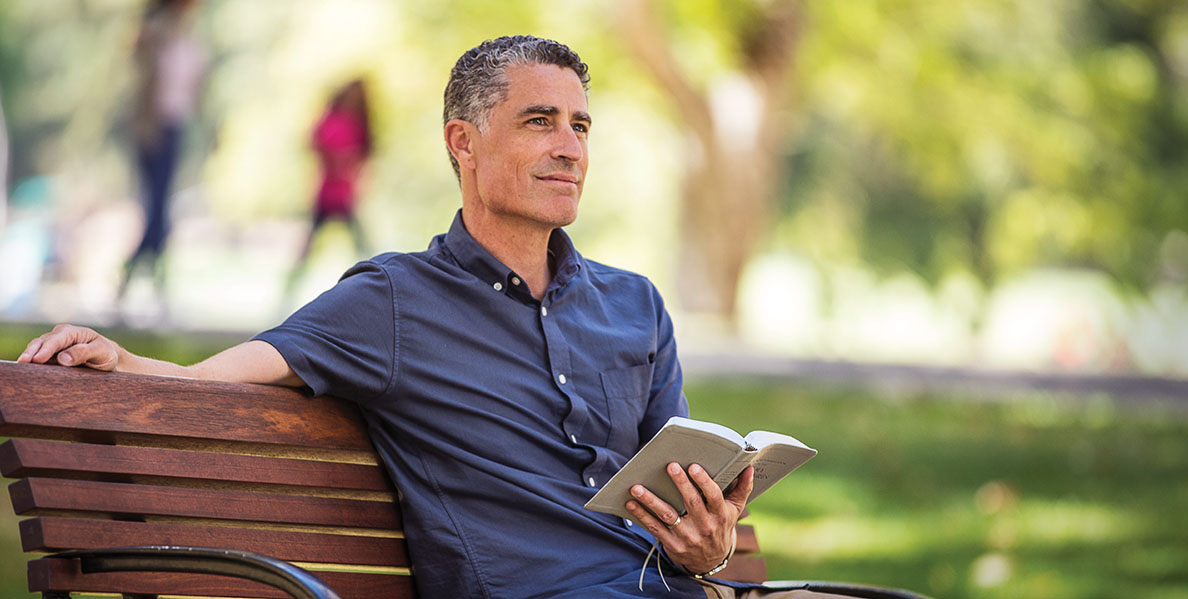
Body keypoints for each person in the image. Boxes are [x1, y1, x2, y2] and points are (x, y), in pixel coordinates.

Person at [19, 36, 848, 599]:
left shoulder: (637, 304)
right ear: (464, 141)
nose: (570, 147)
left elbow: (685, 488)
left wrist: (707, 543)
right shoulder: (391, 301)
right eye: (539, 121)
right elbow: (213, 383)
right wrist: (120, 363)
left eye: (580, 125)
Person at [117, 0, 209, 307]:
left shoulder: (192, 38)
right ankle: (149, 275)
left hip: (175, 128)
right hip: (152, 129)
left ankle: (142, 274)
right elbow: (142, 80)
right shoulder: (154, 34)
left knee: (162, 206)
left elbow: (195, 91)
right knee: (156, 205)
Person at [284, 79, 374, 306]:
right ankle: (288, 292)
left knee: (361, 248)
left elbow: (363, 158)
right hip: (327, 195)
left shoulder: (357, 125)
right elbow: (316, 144)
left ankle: (374, 289)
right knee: (309, 249)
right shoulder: (333, 121)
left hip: (345, 195)